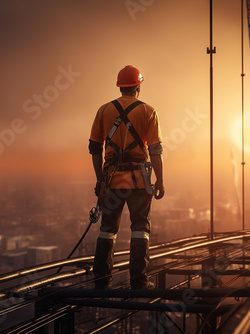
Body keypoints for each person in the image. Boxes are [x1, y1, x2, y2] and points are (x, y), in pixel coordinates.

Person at [88, 65, 164, 289]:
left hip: (112, 180)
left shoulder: (104, 110)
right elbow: (156, 150)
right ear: (138, 86)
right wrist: (160, 180)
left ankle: (101, 280)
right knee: (140, 228)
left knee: (107, 229)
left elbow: (95, 148)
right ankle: (139, 281)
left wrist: (100, 178)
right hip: (139, 181)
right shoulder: (148, 111)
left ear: (120, 87)